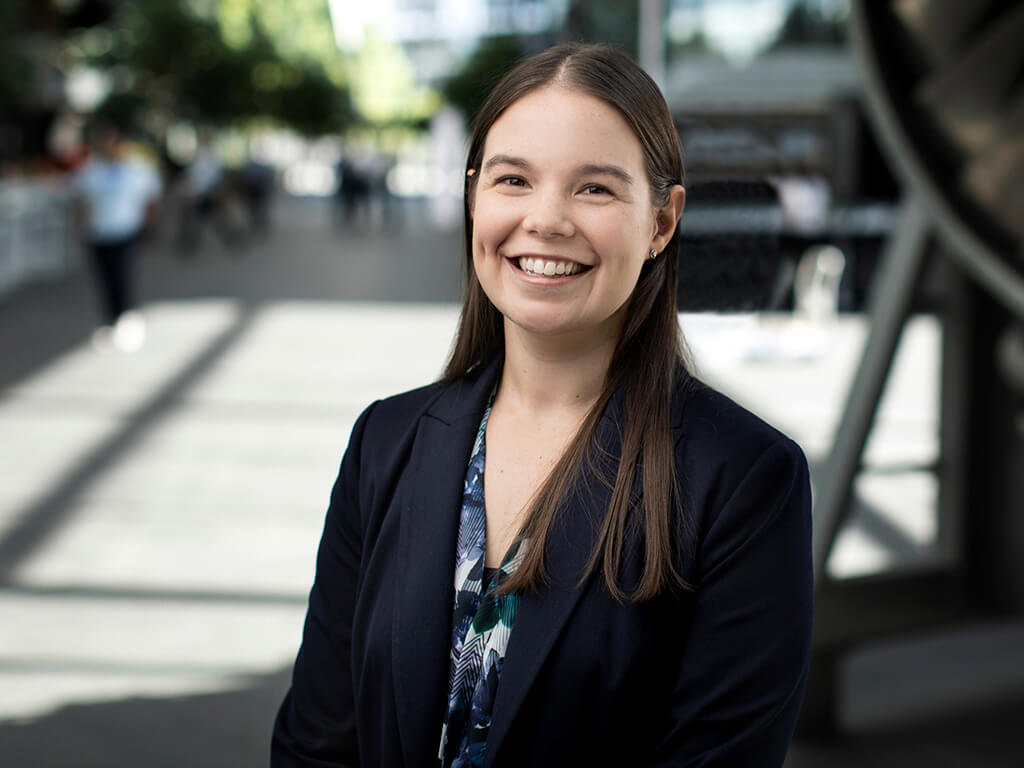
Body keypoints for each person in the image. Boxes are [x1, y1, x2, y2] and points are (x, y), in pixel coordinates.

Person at [272, 43, 812, 768]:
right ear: (473, 198)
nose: (546, 220)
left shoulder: (742, 480)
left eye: (594, 189)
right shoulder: (386, 441)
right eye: (514, 180)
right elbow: (316, 742)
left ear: (662, 221)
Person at [71, 119, 161, 352]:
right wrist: (80, 226)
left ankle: (126, 320)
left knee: (122, 277)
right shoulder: (91, 171)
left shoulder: (138, 169)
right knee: (105, 279)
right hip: (99, 233)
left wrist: (147, 226)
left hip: (126, 231)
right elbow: (81, 200)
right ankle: (111, 321)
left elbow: (151, 199)